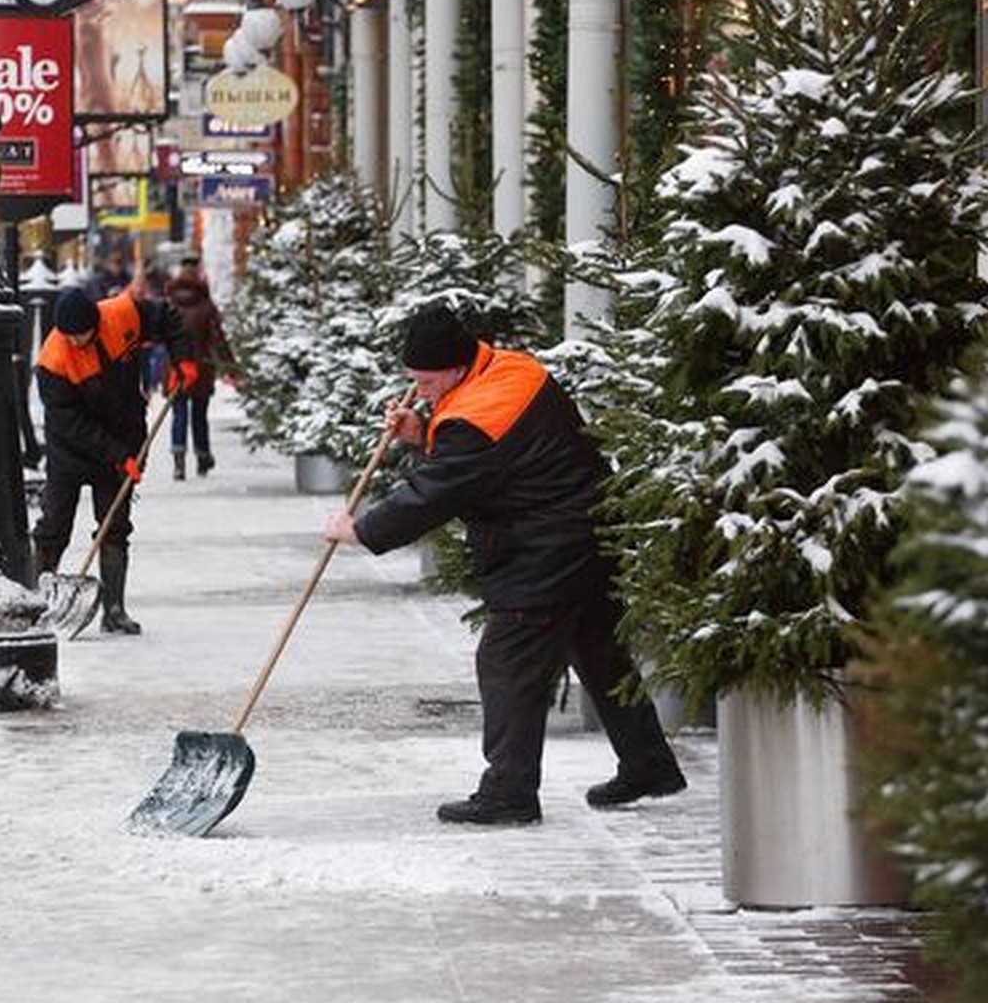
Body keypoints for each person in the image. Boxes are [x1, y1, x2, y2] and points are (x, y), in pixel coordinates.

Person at [324, 304, 686, 825]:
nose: (419, 390)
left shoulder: (475, 419)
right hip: (586, 531)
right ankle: (649, 765)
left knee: (507, 660)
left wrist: (360, 529)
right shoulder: (513, 369)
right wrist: (422, 431)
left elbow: (438, 488)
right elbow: (499, 447)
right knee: (598, 649)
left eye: (426, 381)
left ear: (453, 368)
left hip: (546, 546)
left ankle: (509, 792)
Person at [32, 286, 197, 635]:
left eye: (82, 334)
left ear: (96, 321)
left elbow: (169, 319)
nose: (76, 341)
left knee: (115, 526)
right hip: (70, 451)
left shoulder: (123, 314)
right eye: (69, 335)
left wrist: (182, 358)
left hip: (124, 440)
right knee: (53, 527)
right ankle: (34, 603)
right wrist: (118, 455)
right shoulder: (52, 360)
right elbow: (71, 424)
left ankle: (115, 609)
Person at [164, 253, 235, 480]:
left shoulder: (169, 303)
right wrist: (230, 366)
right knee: (199, 415)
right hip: (201, 367)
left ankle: (178, 462)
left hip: (175, 367)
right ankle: (203, 457)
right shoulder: (206, 306)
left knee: (179, 413)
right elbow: (217, 339)